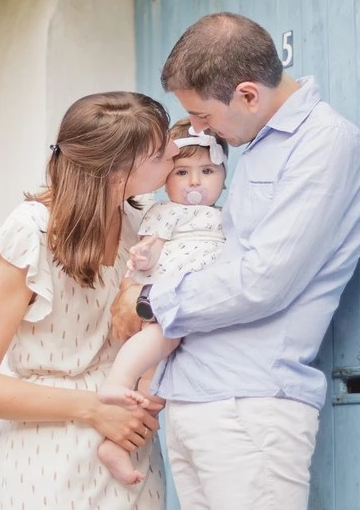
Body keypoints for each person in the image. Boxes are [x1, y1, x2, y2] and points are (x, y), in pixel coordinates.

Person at [111, 12, 360, 510]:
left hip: (248, 407)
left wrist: (150, 299)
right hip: (198, 398)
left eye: (203, 116)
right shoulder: (256, 147)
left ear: (248, 94)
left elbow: (264, 282)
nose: (196, 129)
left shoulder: (323, 144)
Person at [0, 91, 179, 510]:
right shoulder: (30, 234)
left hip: (129, 446)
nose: (176, 151)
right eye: (160, 150)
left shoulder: (143, 226)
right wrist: (93, 409)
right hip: (49, 454)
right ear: (115, 172)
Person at [96, 119, 229, 485]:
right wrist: (143, 257)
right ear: (167, 178)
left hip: (190, 312)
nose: (195, 182)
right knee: (158, 344)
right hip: (161, 300)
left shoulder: (225, 216)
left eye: (207, 171)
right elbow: (151, 249)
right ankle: (117, 382)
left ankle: (116, 445)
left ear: (223, 173)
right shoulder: (165, 212)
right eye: (182, 172)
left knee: (154, 392)